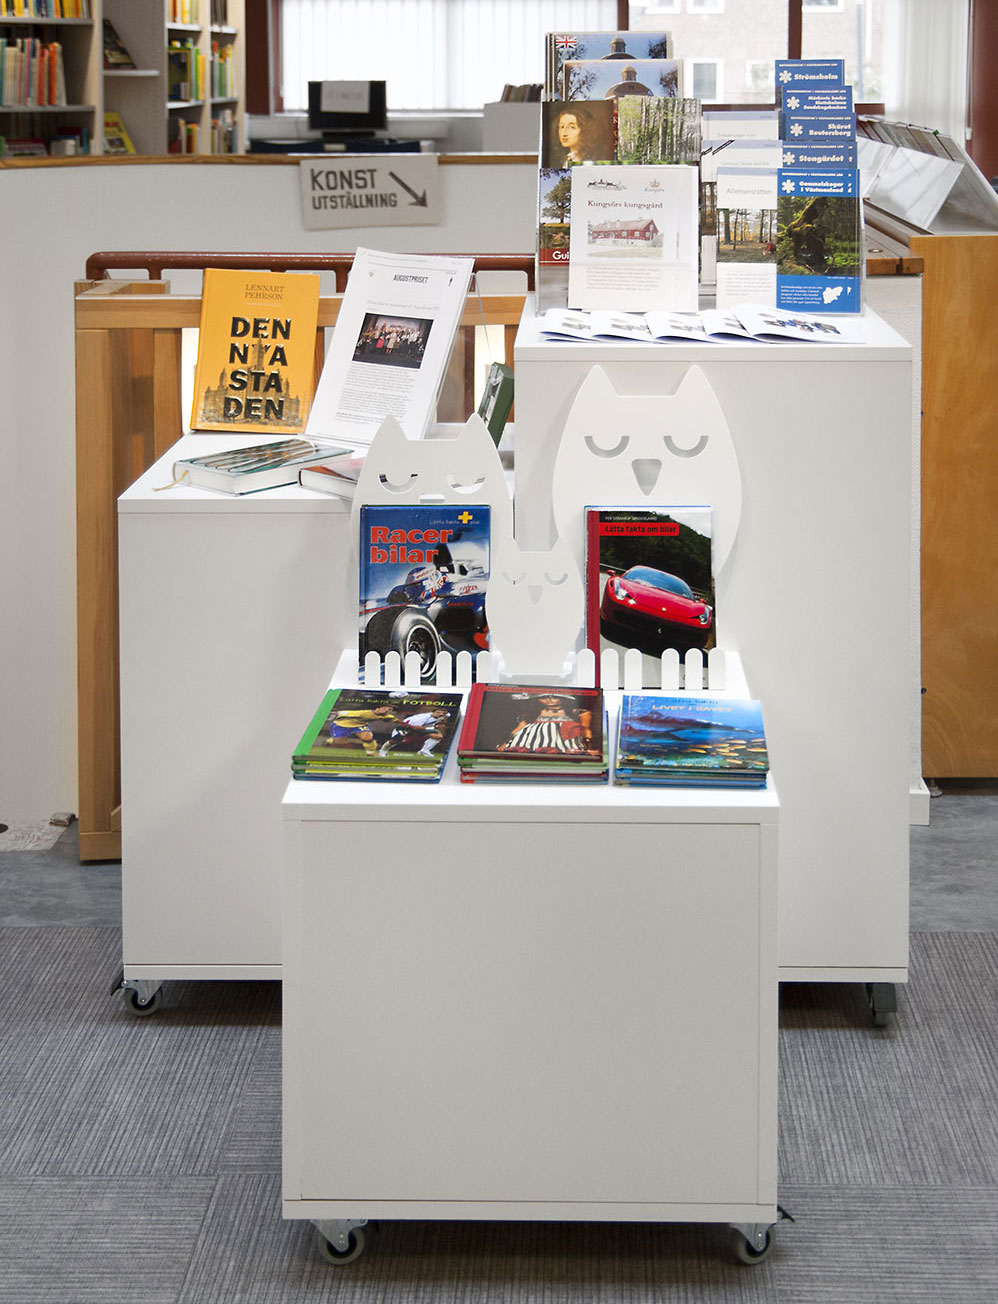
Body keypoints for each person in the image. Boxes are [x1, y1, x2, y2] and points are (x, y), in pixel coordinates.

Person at [497, 694, 595, 755]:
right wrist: (506, 743)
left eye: (555, 697)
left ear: (564, 699)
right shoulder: (534, 713)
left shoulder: (576, 713)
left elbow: (586, 729)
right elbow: (516, 731)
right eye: (544, 697)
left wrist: (589, 747)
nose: (549, 700)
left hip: (563, 743)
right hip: (532, 742)